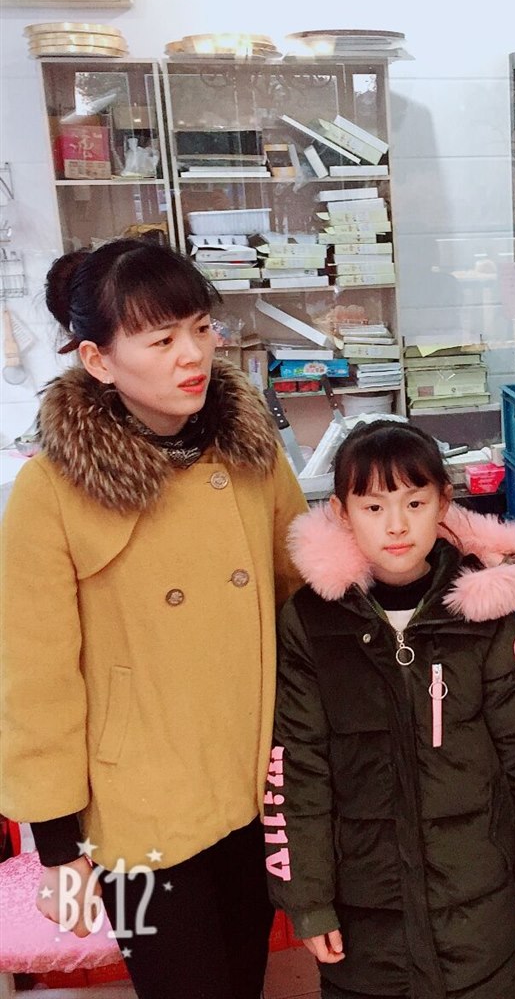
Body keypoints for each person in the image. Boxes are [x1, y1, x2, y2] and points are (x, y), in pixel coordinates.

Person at [0, 238, 308, 999]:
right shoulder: (51, 491)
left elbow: (304, 587)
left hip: (253, 784)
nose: (193, 355)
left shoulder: (250, 454)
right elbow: (34, 683)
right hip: (137, 816)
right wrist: (58, 848)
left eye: (201, 328)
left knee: (244, 978)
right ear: (99, 360)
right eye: (161, 339)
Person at [265, 420, 515, 999]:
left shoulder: (483, 615)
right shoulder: (310, 622)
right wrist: (308, 900)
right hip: (363, 910)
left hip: (474, 898)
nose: (397, 525)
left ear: (444, 503)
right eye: (373, 507)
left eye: (414, 502)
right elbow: (295, 769)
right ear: (341, 513)